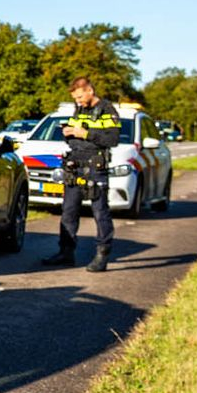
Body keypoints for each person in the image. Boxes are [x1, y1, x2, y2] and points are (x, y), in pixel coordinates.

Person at [40, 76, 121, 272]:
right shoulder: (79, 110)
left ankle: (102, 255)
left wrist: (85, 134)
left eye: (79, 97)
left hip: (95, 167)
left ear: (90, 91)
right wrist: (68, 133)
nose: (78, 101)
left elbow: (112, 139)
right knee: (69, 211)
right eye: (75, 98)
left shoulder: (107, 110)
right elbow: (75, 136)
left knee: (100, 212)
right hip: (75, 165)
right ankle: (66, 253)